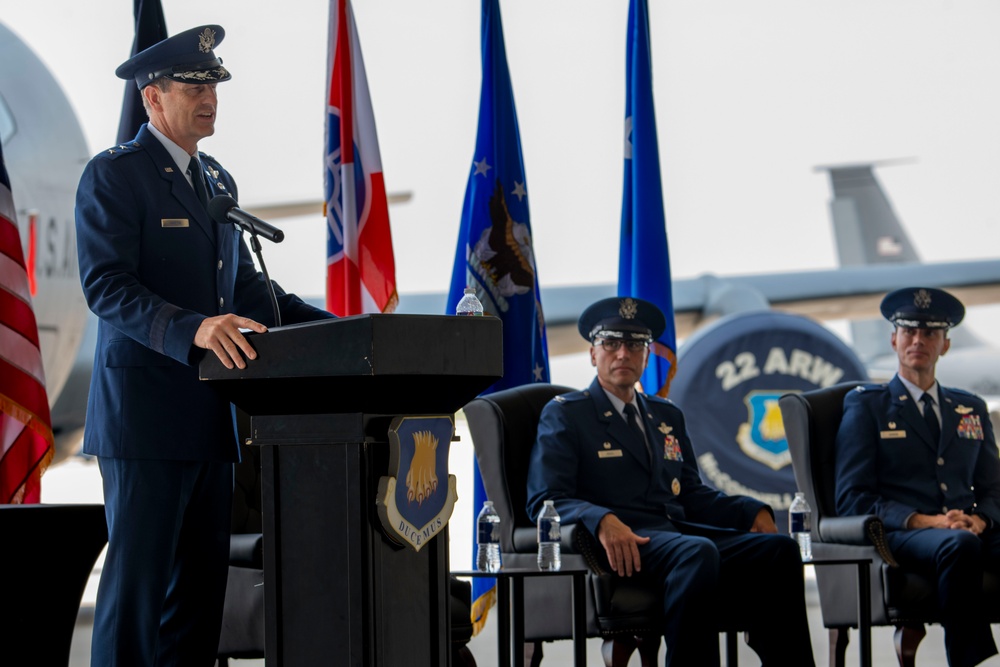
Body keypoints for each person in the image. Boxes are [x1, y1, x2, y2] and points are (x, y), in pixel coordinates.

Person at [75, 25, 335, 667]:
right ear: (151, 98)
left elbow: (248, 292)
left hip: (210, 424)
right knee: (136, 603)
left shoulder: (216, 182)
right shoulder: (115, 176)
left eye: (213, 83)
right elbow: (105, 286)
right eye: (192, 84)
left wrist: (342, 329)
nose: (208, 96)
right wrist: (193, 327)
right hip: (144, 424)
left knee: (196, 608)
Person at [526, 296, 815, 667]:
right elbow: (545, 500)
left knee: (779, 551)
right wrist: (600, 519)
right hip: (619, 543)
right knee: (697, 551)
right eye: (611, 344)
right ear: (592, 354)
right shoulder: (567, 414)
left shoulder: (665, 414)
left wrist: (749, 511)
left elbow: (691, 493)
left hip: (674, 534)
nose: (622, 355)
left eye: (634, 345)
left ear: (647, 355)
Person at [835, 286, 1000, 667]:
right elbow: (853, 497)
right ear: (894, 340)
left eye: (930, 333)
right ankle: (966, 661)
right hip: (903, 535)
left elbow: (993, 488)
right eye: (909, 331)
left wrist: (979, 518)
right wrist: (928, 521)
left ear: (945, 345)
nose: (918, 340)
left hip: (964, 527)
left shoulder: (968, 408)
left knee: (963, 540)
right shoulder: (866, 407)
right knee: (958, 545)